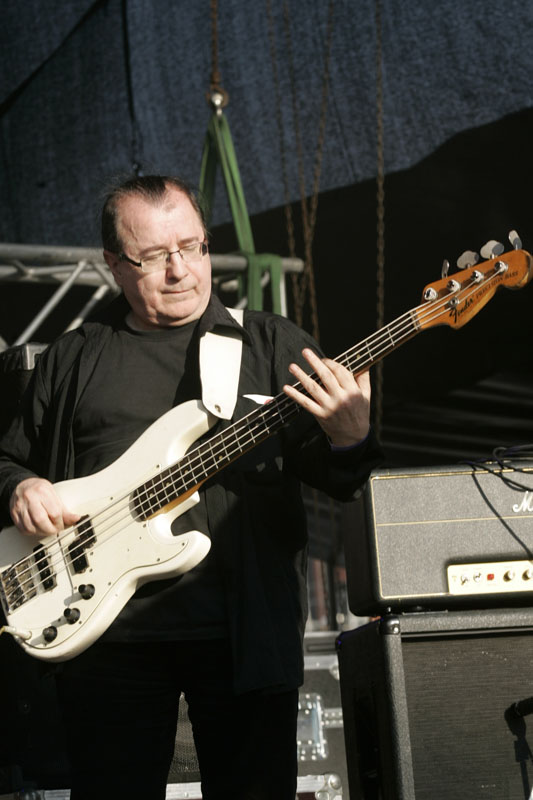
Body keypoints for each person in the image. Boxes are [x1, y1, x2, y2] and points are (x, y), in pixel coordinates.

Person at [0, 175, 383, 799]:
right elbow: (6, 460)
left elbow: (342, 478)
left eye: (194, 247)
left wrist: (350, 436)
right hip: (104, 636)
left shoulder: (270, 343)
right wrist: (20, 486)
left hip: (244, 635)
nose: (180, 270)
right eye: (153, 257)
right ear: (114, 265)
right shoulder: (75, 357)